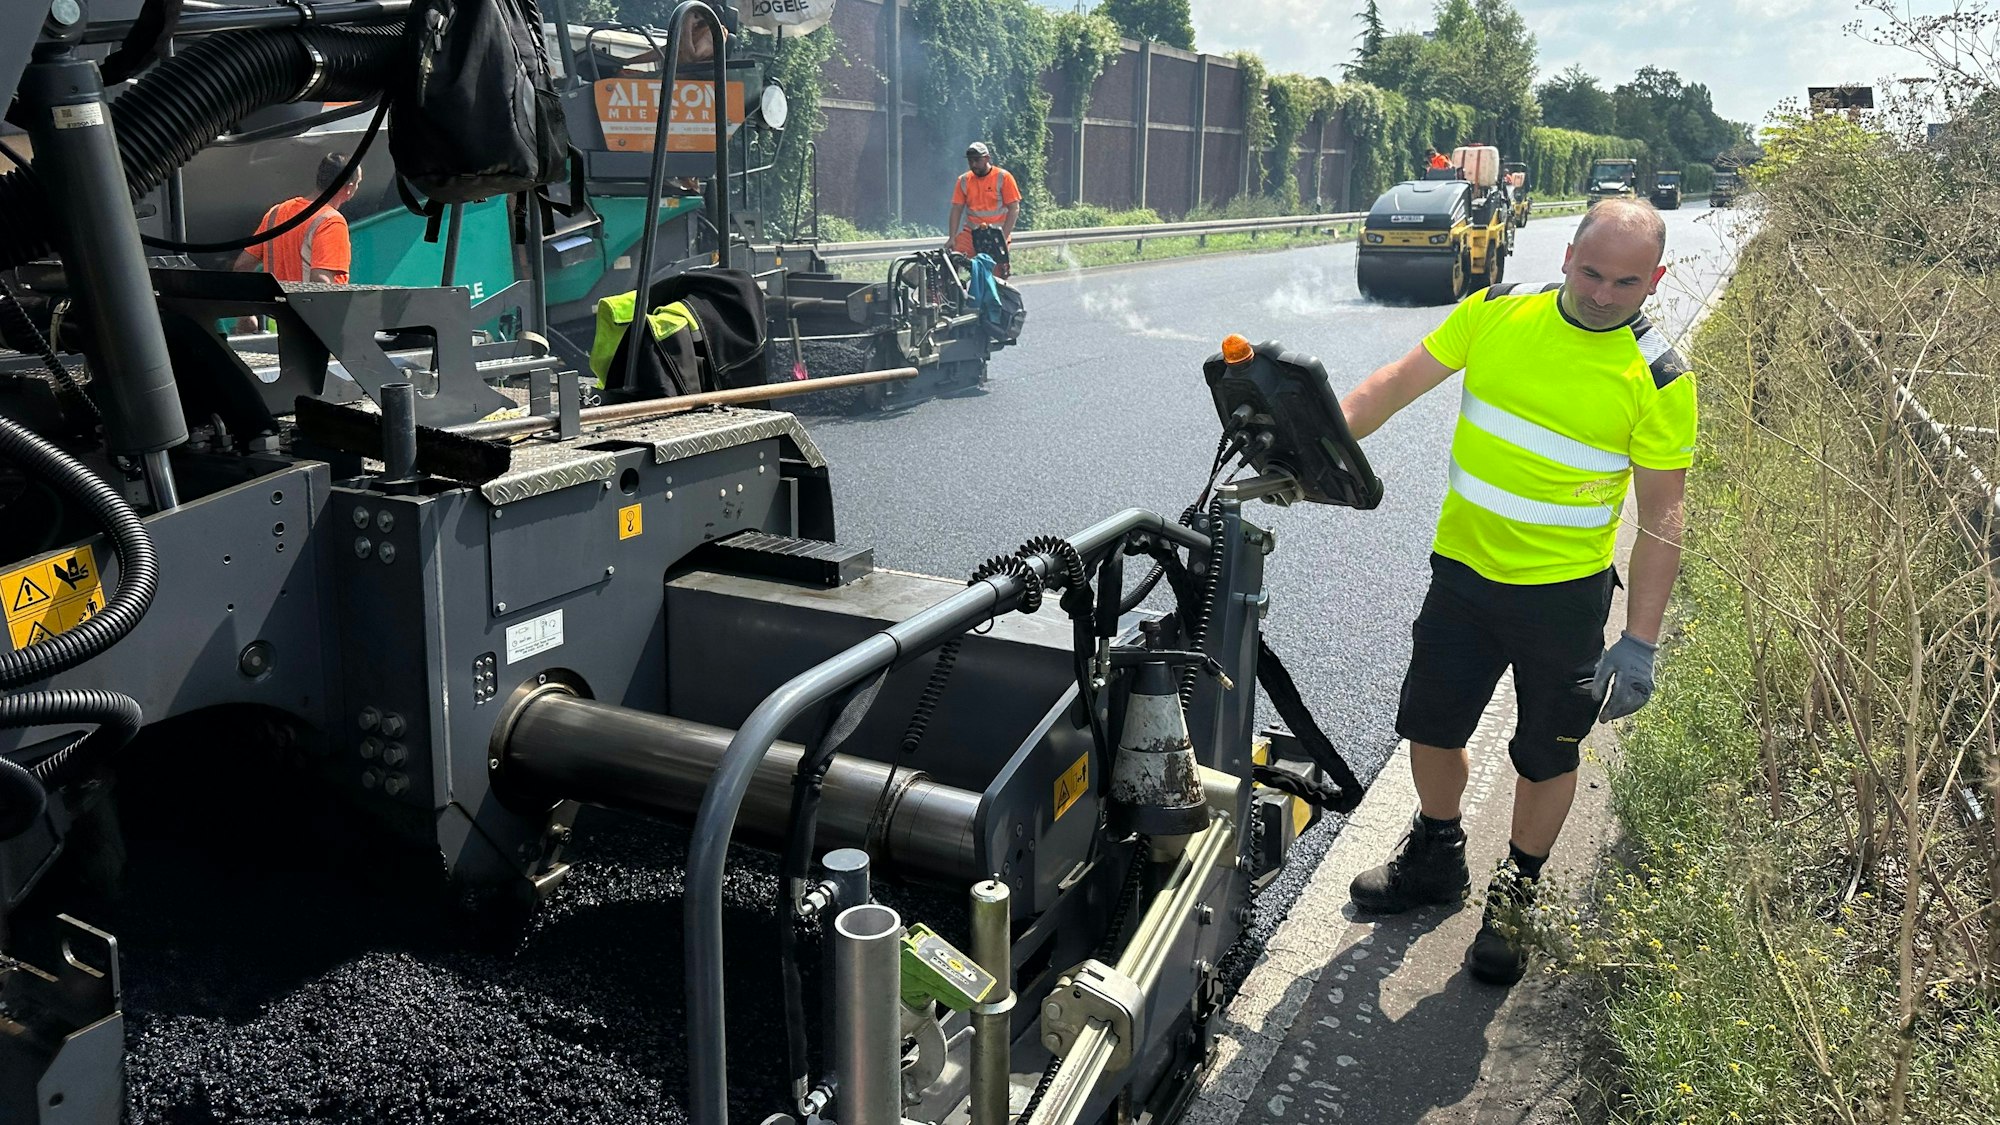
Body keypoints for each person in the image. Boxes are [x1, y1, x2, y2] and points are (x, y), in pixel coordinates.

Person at [1335, 198, 1696, 986]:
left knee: (1545, 750)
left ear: (1656, 279)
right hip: (1463, 576)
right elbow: (1395, 383)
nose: (1602, 294)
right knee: (1431, 726)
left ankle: (1516, 894)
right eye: (1591, 272)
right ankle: (1436, 853)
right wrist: (1316, 441)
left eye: (1626, 283)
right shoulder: (1496, 311)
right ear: (1566, 255)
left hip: (1562, 599)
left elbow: (1663, 517)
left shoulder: (1659, 376)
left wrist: (1640, 639)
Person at [235, 152, 362, 285]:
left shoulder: (276, 212)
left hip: (274, 299)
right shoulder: (331, 222)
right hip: (308, 300)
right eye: (357, 183)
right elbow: (322, 281)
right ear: (349, 187)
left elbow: (242, 266)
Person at [947, 141, 1021, 279]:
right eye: (970, 161)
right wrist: (952, 237)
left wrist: (1003, 237)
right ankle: (951, 288)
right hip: (971, 233)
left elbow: (1014, 208)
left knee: (995, 276)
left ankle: (995, 290)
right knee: (951, 258)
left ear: (987, 158)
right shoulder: (964, 180)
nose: (973, 164)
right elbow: (956, 209)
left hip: (996, 234)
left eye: (977, 160)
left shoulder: (1003, 177)